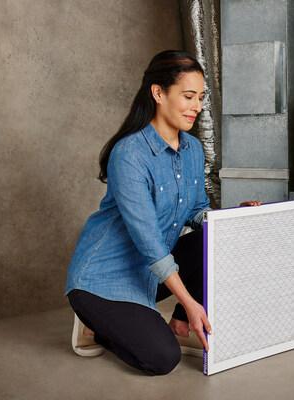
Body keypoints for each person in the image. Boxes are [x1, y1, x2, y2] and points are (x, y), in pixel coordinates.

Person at [65, 50, 260, 375]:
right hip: (101, 280)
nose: (197, 106)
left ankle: (178, 325)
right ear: (158, 93)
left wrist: (230, 218)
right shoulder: (129, 155)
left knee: (211, 239)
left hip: (147, 273)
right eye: (188, 96)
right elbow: (150, 244)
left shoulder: (193, 149)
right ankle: (96, 327)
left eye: (200, 97)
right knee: (162, 359)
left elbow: (196, 211)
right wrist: (190, 302)